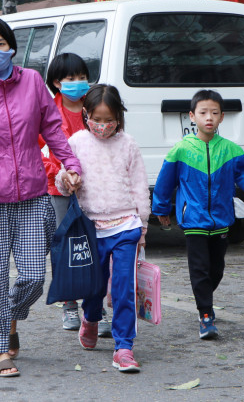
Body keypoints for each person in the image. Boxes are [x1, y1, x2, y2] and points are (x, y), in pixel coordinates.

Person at [0, 16, 82, 378]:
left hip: (34, 197)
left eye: (0, 44)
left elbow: (52, 128)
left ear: (12, 47)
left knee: (35, 277)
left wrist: (70, 164)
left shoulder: (33, 82)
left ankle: (9, 318)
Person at [152, 90, 244, 340]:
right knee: (199, 269)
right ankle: (206, 315)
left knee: (216, 270)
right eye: (203, 112)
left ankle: (205, 297)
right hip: (194, 221)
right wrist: (162, 209)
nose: (209, 117)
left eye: (214, 113)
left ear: (222, 117)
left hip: (221, 221)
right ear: (192, 116)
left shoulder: (230, 150)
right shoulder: (180, 150)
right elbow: (165, 182)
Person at [56, 84, 150, 373]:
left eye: (109, 119)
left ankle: (124, 346)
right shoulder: (76, 142)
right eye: (97, 119)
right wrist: (68, 179)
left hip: (126, 226)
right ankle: (91, 316)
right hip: (90, 227)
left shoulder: (129, 144)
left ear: (119, 116)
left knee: (124, 288)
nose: (103, 125)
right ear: (86, 114)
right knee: (94, 286)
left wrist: (143, 226)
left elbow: (139, 187)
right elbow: (62, 179)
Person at [41, 53, 112, 337]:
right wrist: (59, 174)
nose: (78, 82)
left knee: (96, 245)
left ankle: (94, 307)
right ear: (57, 82)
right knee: (67, 244)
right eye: (71, 78)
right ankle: (69, 302)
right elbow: (35, 151)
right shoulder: (47, 110)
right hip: (59, 189)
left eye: (82, 77)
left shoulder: (93, 107)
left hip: (94, 187)